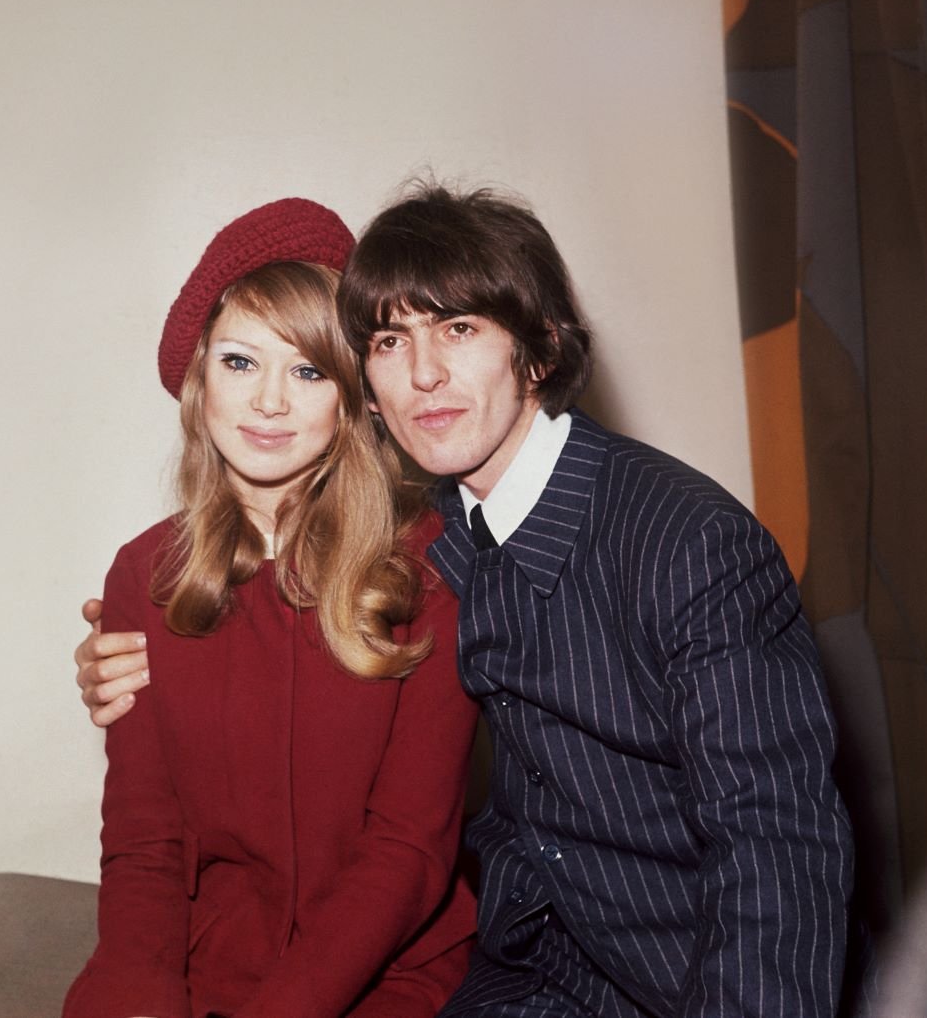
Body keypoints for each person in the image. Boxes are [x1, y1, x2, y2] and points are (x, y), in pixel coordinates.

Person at [78, 183, 855, 1017]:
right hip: (531, 966)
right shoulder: (447, 528)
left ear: (541, 348)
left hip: (683, 973)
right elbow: (148, 836)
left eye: (458, 328)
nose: (423, 372)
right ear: (368, 386)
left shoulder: (670, 543)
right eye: (389, 339)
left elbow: (776, 844)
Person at [63, 198, 480, 1018]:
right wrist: (142, 999)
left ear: (357, 397)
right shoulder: (143, 574)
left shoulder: (433, 569)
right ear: (198, 377)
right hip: (204, 967)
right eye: (241, 362)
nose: (268, 404)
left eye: (309, 370)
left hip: (388, 978)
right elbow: (146, 845)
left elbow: (406, 851)